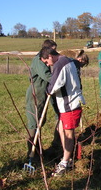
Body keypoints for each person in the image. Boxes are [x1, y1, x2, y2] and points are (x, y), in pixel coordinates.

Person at [41, 47, 85, 177]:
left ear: (50, 56)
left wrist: (48, 90)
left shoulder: (60, 63)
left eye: (46, 62)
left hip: (70, 105)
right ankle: (67, 155)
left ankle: (66, 162)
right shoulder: (67, 60)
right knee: (61, 129)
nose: (47, 65)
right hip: (67, 105)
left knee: (68, 133)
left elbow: (55, 84)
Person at [25, 39, 59, 157]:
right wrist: (61, 80)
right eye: (54, 51)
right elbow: (47, 76)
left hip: (42, 93)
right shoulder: (38, 60)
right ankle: (32, 152)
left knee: (40, 121)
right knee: (34, 122)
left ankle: (39, 149)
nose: (55, 54)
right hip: (36, 93)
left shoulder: (44, 60)